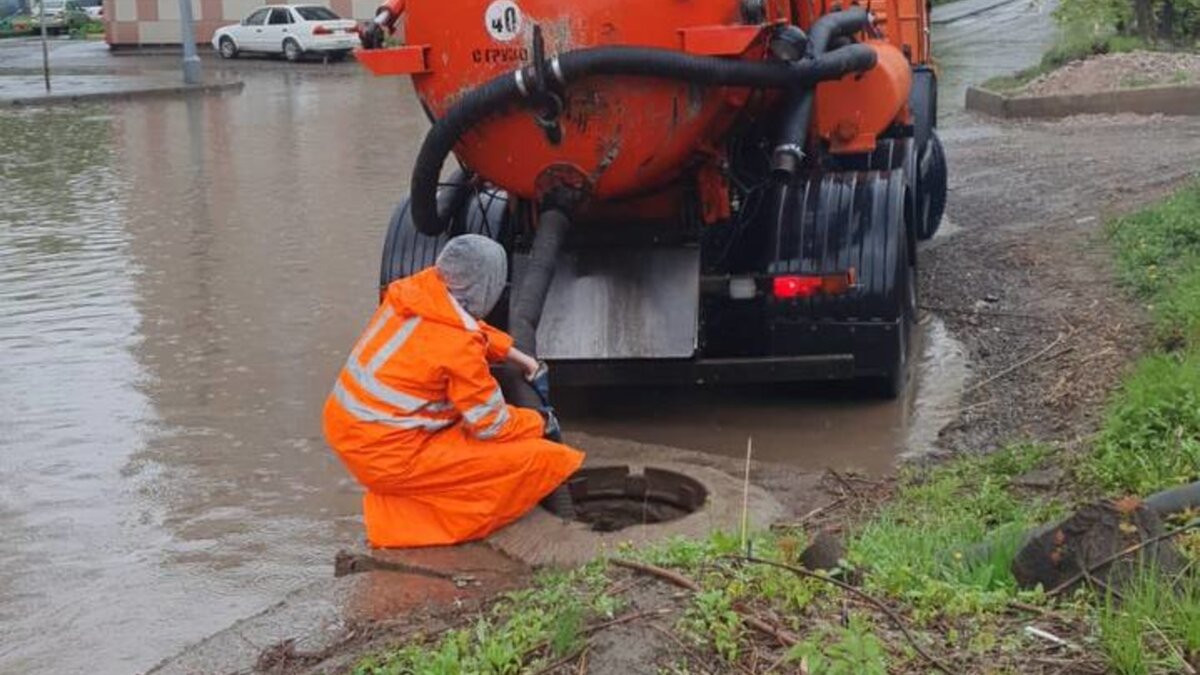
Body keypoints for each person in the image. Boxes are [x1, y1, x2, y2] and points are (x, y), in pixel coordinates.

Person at [322, 235, 584, 548]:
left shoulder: (414, 293)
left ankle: (395, 503)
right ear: (486, 288)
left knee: (479, 444)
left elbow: (460, 326)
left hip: (359, 435)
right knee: (543, 458)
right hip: (389, 454)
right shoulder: (458, 347)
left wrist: (513, 353)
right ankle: (400, 526)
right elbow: (492, 425)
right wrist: (540, 422)